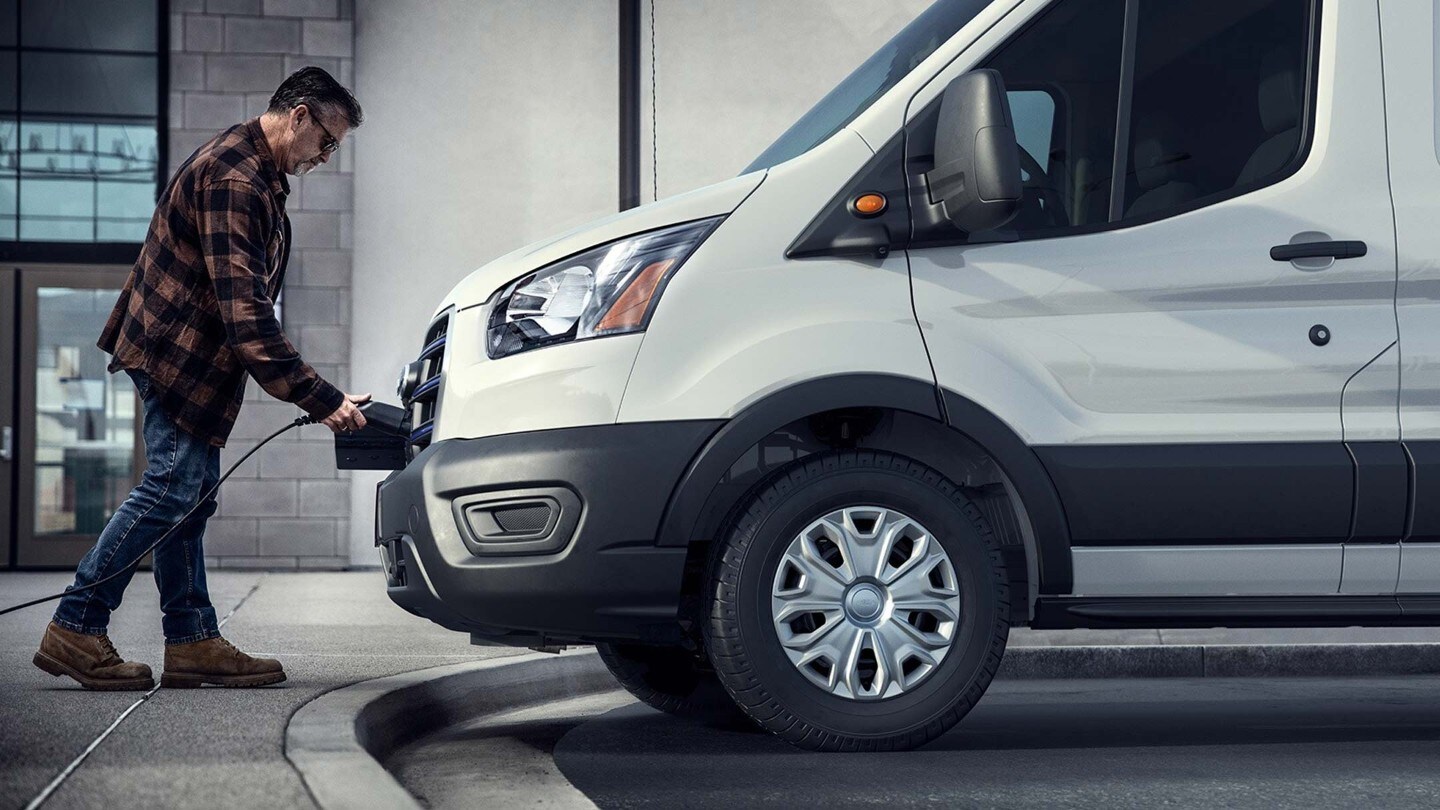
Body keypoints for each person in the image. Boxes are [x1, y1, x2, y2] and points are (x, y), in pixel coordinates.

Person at [32, 67, 370, 691]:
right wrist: (320, 397)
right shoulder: (238, 179)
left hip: (189, 358)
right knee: (172, 486)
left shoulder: (255, 171)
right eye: (327, 140)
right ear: (298, 116)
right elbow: (245, 313)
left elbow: (241, 309)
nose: (326, 156)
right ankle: (77, 624)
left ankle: (191, 641)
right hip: (174, 355)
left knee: (190, 493)